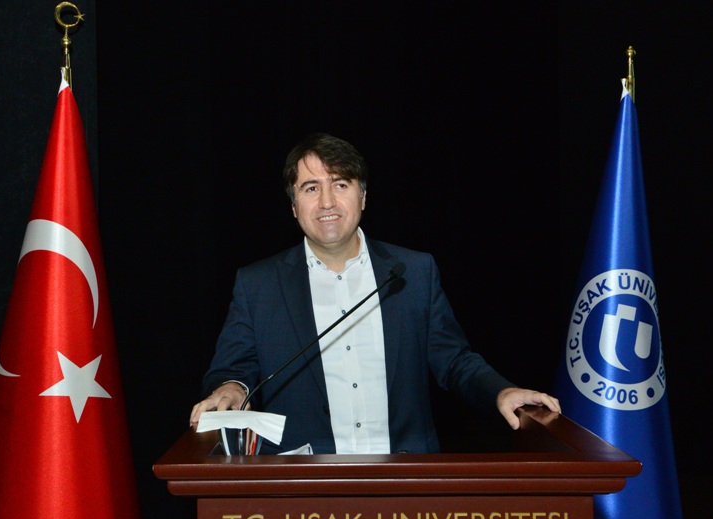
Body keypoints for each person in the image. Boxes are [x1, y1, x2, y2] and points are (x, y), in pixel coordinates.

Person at [189, 133, 560, 454]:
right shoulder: (258, 285)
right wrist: (231, 389)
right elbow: (232, 369)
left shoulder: (413, 272)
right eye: (311, 188)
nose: (327, 202)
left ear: (363, 197)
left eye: (341, 184)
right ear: (293, 206)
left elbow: (453, 360)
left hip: (404, 481)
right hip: (305, 489)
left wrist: (501, 392)